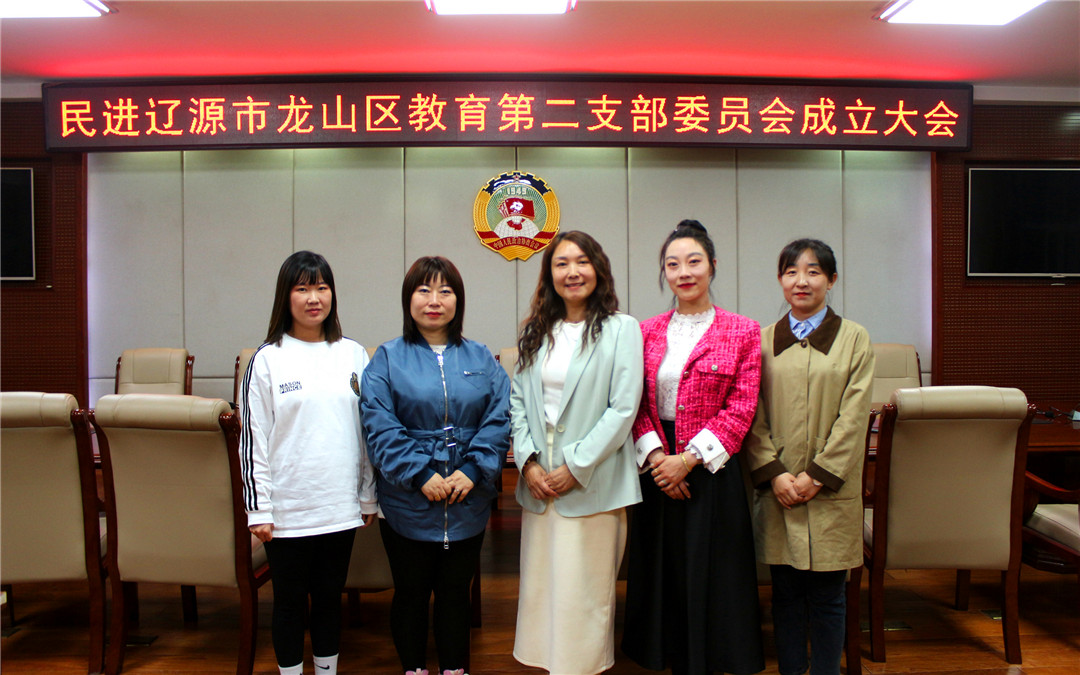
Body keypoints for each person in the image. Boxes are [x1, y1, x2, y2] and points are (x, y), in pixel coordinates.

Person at [622, 219, 765, 675]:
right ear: (664, 272)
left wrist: (687, 460)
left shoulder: (743, 330)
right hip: (656, 467)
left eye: (694, 262)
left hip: (712, 468)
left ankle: (712, 656)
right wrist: (659, 460)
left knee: (715, 569)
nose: (684, 272)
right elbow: (632, 402)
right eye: (673, 264)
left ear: (713, 266)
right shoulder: (644, 331)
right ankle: (662, 652)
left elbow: (742, 406)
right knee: (661, 566)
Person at [361, 256, 510, 675]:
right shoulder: (387, 358)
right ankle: (413, 667)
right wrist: (421, 473)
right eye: (424, 290)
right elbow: (378, 423)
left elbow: (500, 417)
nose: (434, 300)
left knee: (455, 593)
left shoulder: (481, 357)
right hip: (407, 499)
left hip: (468, 496)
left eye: (445, 291)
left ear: (458, 301)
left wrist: (475, 469)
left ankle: (454, 668)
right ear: (408, 299)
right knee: (410, 592)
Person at [511, 230, 644, 675]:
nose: (572, 272)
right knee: (543, 591)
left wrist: (576, 464)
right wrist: (528, 462)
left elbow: (623, 408)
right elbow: (518, 401)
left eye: (582, 261)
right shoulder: (537, 331)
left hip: (593, 483)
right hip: (541, 486)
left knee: (583, 594)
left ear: (598, 269)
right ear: (549, 274)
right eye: (561, 263)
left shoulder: (621, 329)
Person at [239, 250, 376, 675]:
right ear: (286, 296)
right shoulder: (267, 359)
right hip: (288, 510)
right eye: (302, 288)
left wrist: (368, 495)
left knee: (330, 600)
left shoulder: (353, 354)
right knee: (290, 604)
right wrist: (259, 509)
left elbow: (367, 432)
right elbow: (252, 440)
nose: (314, 298)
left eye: (321, 287)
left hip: (339, 506)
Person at [744, 238, 875, 675]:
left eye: (813, 271)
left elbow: (854, 418)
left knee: (828, 596)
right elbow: (750, 415)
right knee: (784, 593)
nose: (801, 281)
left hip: (830, 493)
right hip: (778, 491)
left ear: (831, 280)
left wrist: (817, 475)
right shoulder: (761, 341)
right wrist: (776, 474)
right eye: (791, 272)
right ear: (780, 280)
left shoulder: (854, 339)